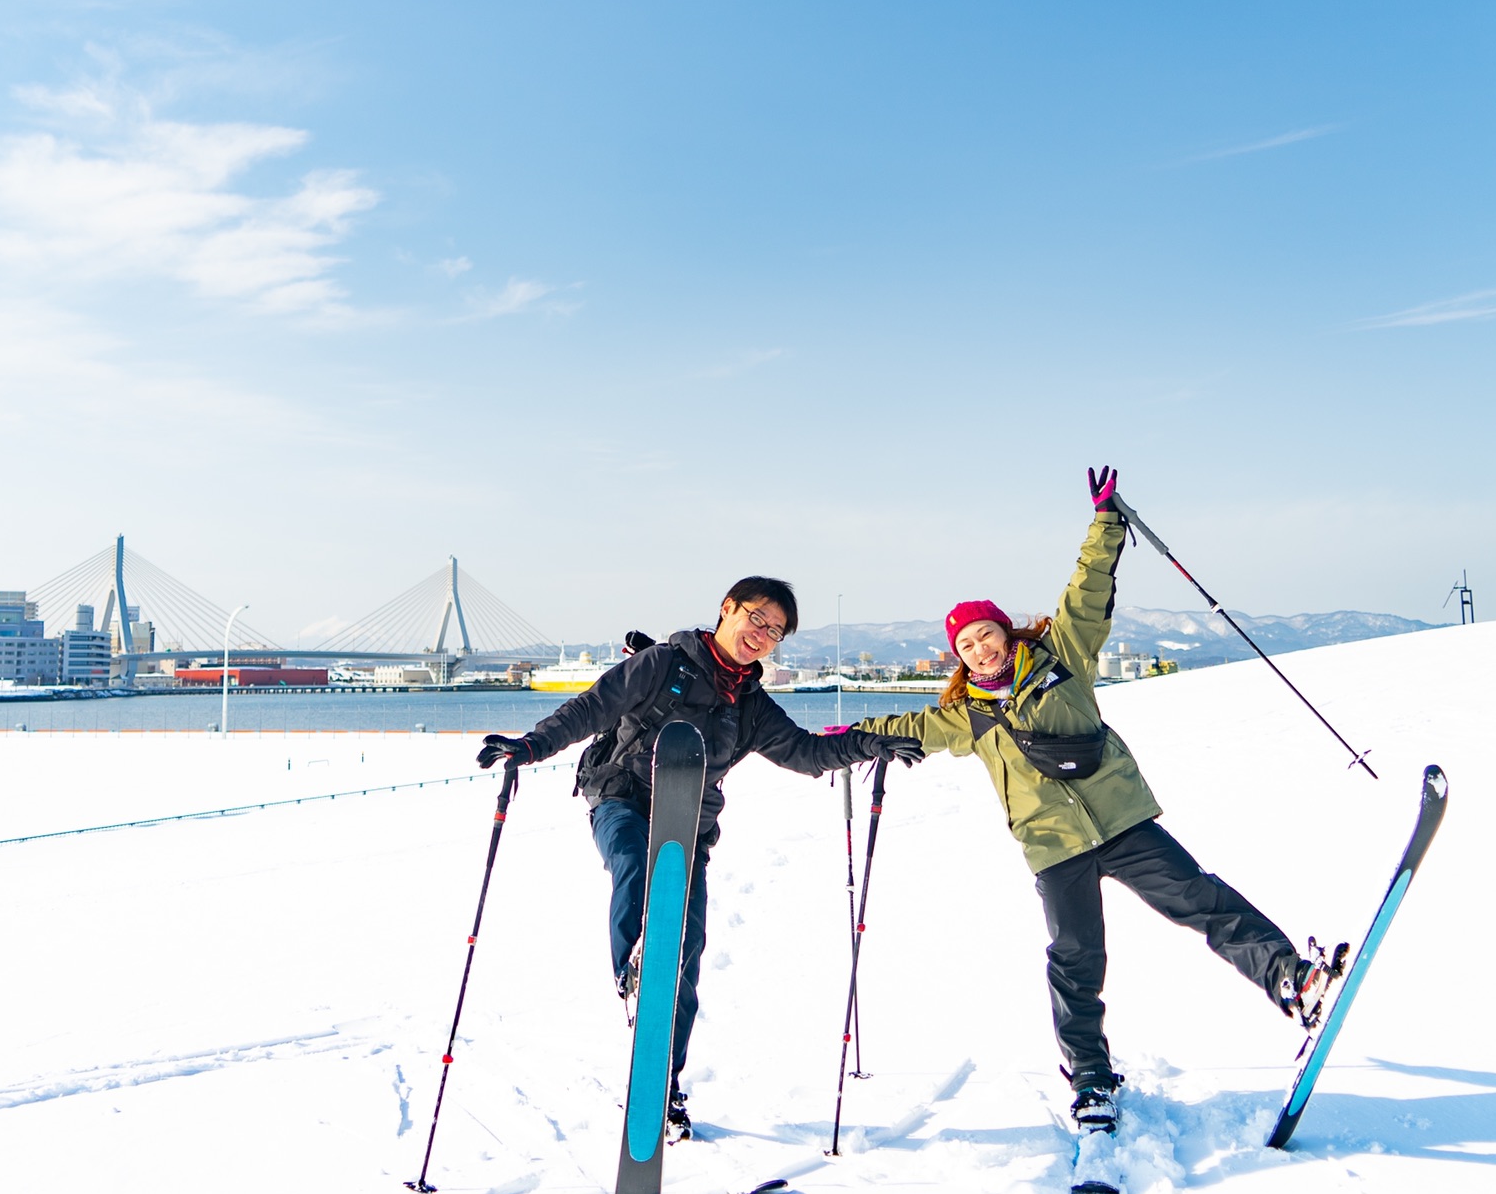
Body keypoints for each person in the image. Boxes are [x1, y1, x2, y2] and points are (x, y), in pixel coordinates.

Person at [854, 467, 1329, 1136]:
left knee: (1199, 898)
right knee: (1076, 958)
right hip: (1053, 846)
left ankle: (1291, 978)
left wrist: (1106, 522)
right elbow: (908, 728)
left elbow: (1085, 592)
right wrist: (845, 737)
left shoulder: (1060, 657)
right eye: (966, 644)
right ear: (957, 657)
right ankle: (1090, 1079)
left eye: (986, 632)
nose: (981, 646)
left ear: (1004, 631)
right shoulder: (967, 715)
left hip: (1121, 819)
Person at [478, 576, 923, 1138]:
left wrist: (868, 743)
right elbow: (592, 709)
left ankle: (662, 1084)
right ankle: (635, 973)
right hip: (621, 796)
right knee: (636, 868)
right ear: (727, 609)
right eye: (756, 619)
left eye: (775, 632)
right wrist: (531, 745)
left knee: (684, 957)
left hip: (691, 824)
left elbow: (807, 753)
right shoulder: (661, 664)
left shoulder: (751, 705)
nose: (762, 635)